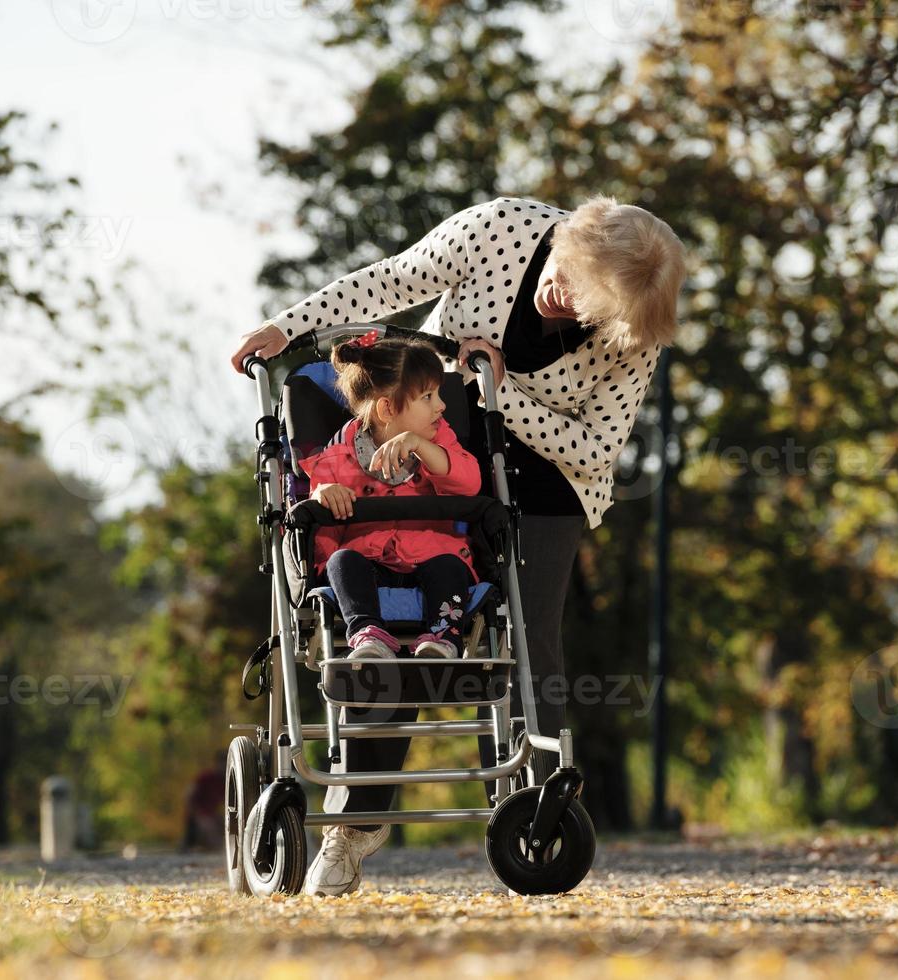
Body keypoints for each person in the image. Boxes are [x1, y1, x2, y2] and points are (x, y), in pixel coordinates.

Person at [232, 195, 687, 887]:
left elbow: (597, 447)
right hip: (442, 435)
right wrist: (288, 326)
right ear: (566, 239)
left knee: (529, 634)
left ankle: (536, 805)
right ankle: (355, 823)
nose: (561, 303)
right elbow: (391, 281)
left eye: (583, 308)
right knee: (399, 621)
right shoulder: (501, 228)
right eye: (566, 281)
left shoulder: (632, 325)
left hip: (552, 477)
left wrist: (499, 391)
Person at [295, 331, 482, 895]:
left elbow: (470, 481)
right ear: (387, 408)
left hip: (431, 569)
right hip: (370, 575)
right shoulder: (336, 454)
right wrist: (327, 493)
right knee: (345, 562)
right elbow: (317, 483)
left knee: (452, 569)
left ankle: (442, 635)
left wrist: (426, 451)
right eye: (429, 397)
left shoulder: (439, 441)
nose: (442, 405)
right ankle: (365, 632)